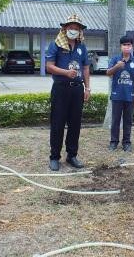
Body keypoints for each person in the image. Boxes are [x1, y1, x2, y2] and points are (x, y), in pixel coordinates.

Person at [46, 14, 91, 171]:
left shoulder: (82, 47)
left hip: (77, 89)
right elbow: (49, 66)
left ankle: (72, 155)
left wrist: (87, 87)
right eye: (71, 28)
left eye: (76, 28)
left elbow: (85, 68)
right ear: (65, 28)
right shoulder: (56, 45)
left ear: (80, 31)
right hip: (61, 88)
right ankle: (54, 157)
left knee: (75, 124)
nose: (73, 30)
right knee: (57, 123)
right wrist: (65, 72)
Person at [106, 36, 134, 151]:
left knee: (128, 120)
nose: (127, 47)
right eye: (124, 45)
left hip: (129, 96)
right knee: (115, 120)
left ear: (131, 47)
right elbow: (108, 73)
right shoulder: (115, 59)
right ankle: (113, 142)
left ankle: (126, 142)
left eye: (129, 45)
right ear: (120, 46)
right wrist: (117, 66)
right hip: (117, 95)